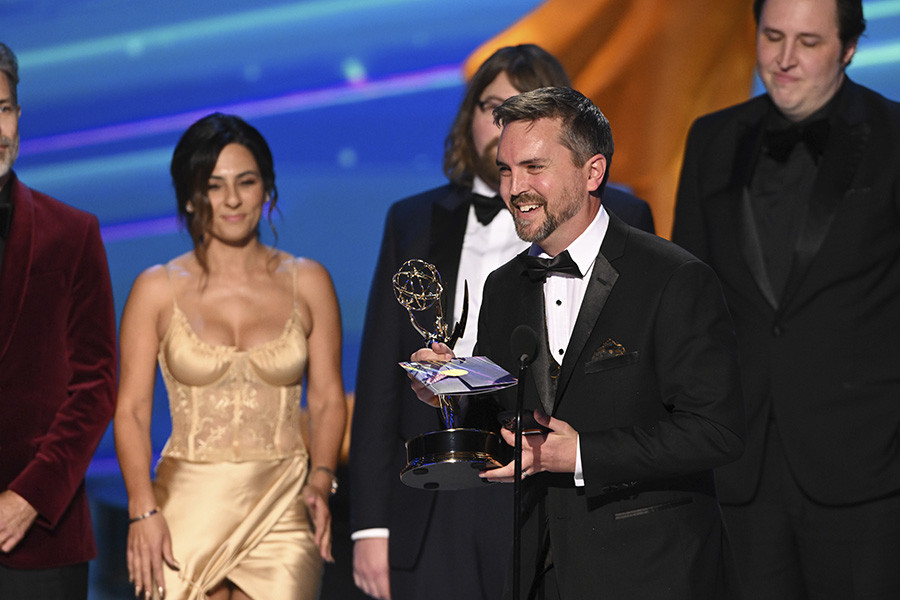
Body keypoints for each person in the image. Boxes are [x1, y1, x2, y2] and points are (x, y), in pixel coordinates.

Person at [411, 86, 745, 599]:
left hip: (654, 572)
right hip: (540, 569)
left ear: (593, 172)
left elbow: (715, 430)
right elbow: (509, 428)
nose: (514, 188)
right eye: (505, 170)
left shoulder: (673, 278)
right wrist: (450, 393)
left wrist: (581, 454)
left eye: (534, 167)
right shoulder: (502, 287)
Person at [349, 45, 654, 600]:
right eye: (491, 106)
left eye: (521, 107)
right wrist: (370, 524)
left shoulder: (625, 218)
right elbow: (376, 383)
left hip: (555, 484)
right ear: (468, 115)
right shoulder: (412, 220)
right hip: (439, 493)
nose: (503, 124)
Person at [672, 0, 900, 597]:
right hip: (738, 466)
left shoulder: (897, 139)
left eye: (809, 42)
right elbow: (687, 307)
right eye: (773, 36)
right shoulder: (711, 139)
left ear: (849, 49)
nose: (785, 59)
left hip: (868, 468)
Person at [113, 113, 347, 600]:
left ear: (268, 188)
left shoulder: (310, 281)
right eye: (215, 186)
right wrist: (142, 510)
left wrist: (322, 479)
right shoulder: (156, 289)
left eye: (246, 182)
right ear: (191, 195)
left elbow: (326, 399)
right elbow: (132, 411)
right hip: (184, 506)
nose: (233, 200)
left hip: (283, 504)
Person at [0, 42, 117, 599]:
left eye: (2, 109)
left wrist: (31, 496)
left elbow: (96, 386)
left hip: (41, 541)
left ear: (19, 117)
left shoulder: (73, 234)